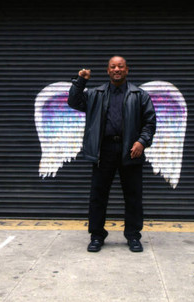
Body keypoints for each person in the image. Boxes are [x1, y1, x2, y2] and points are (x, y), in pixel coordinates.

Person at [67, 56, 156, 253]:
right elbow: (73, 101)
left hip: (130, 152)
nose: (117, 69)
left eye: (120, 66)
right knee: (98, 196)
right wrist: (81, 80)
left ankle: (133, 236)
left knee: (133, 196)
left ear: (127, 70)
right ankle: (97, 235)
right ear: (108, 71)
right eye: (113, 66)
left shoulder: (139, 95)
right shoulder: (95, 94)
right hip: (103, 151)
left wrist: (141, 141)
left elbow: (149, 123)